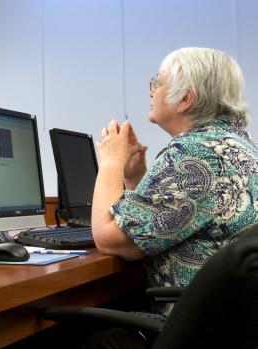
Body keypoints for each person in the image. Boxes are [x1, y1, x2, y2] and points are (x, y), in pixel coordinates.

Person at [87, 47, 257, 348]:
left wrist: (111, 160)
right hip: (233, 326)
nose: (151, 90)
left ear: (185, 98)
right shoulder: (238, 147)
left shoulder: (191, 153)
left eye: (158, 81)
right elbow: (177, 218)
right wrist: (134, 178)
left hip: (194, 329)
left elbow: (111, 239)